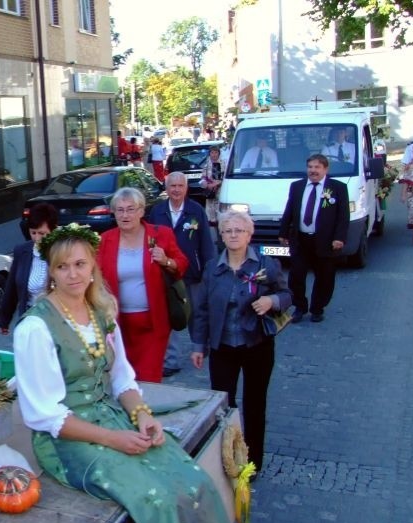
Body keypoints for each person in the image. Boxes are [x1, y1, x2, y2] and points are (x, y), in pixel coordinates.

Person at [13, 223, 247, 523]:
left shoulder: (101, 311)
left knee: (195, 482)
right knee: (155, 500)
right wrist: (116, 439)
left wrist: (142, 415)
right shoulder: (35, 328)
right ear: (51, 272)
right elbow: (45, 416)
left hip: (112, 418)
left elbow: (122, 377)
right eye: (62, 267)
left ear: (93, 266)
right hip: (67, 439)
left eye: (80, 264)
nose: (73, 274)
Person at [190, 210, 292, 472]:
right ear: (221, 235)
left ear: (249, 234)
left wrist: (272, 301)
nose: (233, 235)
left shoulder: (265, 265)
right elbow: (201, 309)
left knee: (255, 404)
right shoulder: (213, 268)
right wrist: (199, 346)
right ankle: (225, 456)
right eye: (228, 231)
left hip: (256, 344)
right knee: (223, 405)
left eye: (239, 230)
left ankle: (252, 461)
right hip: (223, 347)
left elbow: (287, 295)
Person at [97, 188, 188, 382]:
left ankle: (145, 411)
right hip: (119, 325)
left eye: (130, 209)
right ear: (113, 213)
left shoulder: (161, 234)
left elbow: (182, 265)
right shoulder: (106, 240)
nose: (125, 215)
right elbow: (96, 277)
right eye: (119, 210)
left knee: (148, 379)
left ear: (141, 211)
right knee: (123, 378)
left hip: (153, 323)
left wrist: (166, 261)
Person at [148, 172, 216, 378]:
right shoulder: (157, 212)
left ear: (186, 188)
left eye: (180, 186)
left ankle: (201, 345)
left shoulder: (196, 210)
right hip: (167, 272)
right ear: (166, 189)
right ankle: (171, 360)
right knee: (171, 315)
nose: (176, 190)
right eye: (172, 186)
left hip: (193, 273)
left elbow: (206, 243)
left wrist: (209, 269)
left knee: (196, 313)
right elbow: (149, 241)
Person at [278, 153, 349, 323]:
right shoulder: (297, 186)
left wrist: (339, 237)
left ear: (325, 169)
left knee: (324, 276)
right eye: (310, 167)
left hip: (325, 241)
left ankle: (317, 308)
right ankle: (299, 307)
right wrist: (283, 232)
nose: (313, 171)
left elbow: (343, 216)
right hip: (301, 240)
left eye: (317, 167)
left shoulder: (337, 188)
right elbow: (289, 210)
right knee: (296, 275)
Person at [0, 202, 59, 333]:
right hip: (29, 318)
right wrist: (4, 320)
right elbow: (11, 289)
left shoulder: (61, 251)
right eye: (33, 233)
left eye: (42, 234)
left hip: (56, 319)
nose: (37, 238)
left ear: (53, 230)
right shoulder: (22, 251)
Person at [200, 145, 226, 224]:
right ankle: (211, 222)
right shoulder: (207, 164)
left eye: (216, 152)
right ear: (209, 154)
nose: (214, 154)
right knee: (210, 208)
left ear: (219, 153)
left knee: (218, 207)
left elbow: (223, 177)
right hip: (210, 190)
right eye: (212, 152)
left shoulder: (223, 163)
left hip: (219, 190)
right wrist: (205, 183)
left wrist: (216, 184)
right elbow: (203, 176)